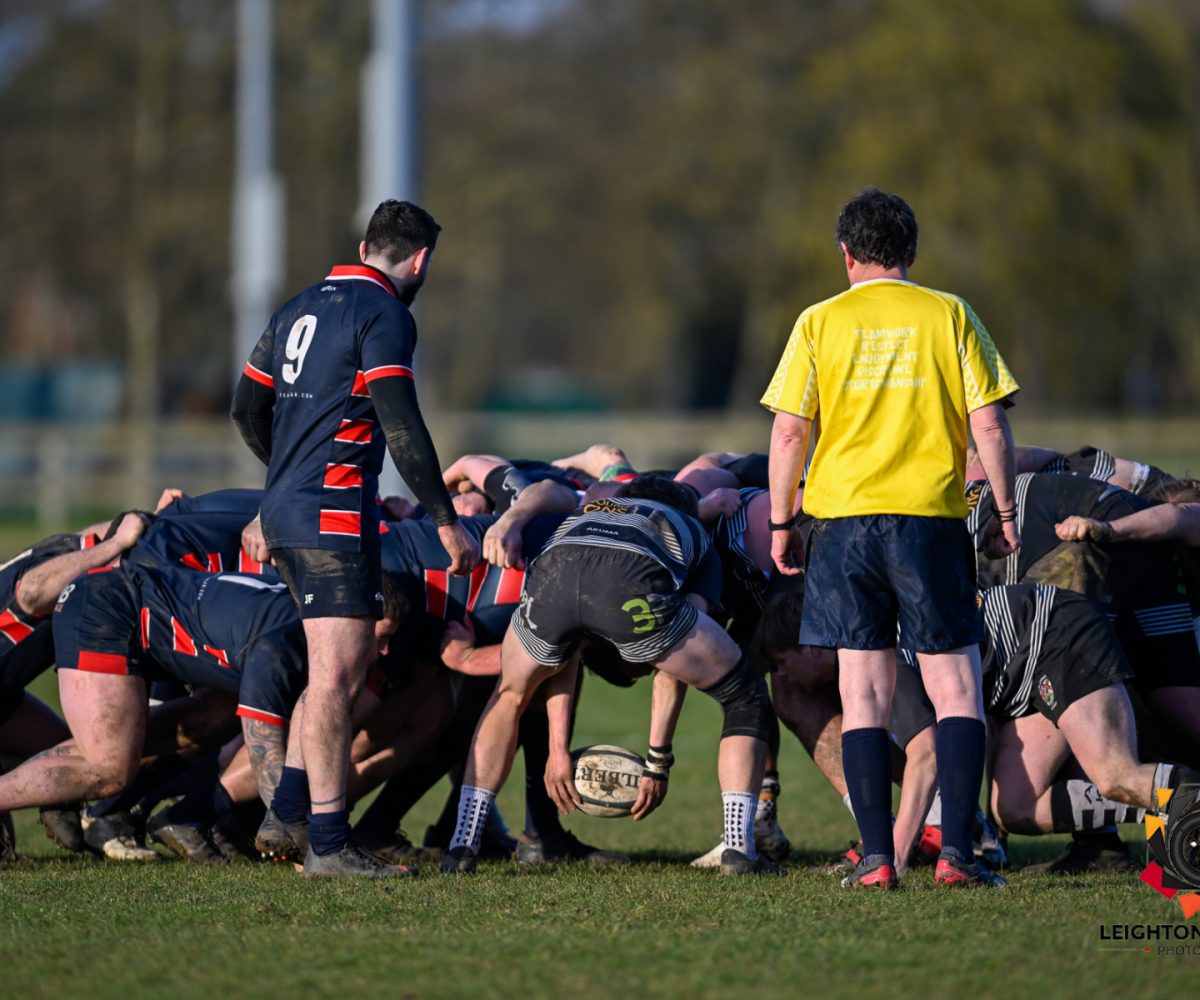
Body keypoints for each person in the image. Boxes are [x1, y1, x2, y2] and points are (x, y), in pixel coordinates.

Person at [762, 187, 1020, 889]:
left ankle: (877, 860)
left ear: (846, 255)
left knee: (864, 692)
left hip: (843, 525)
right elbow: (990, 425)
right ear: (910, 254)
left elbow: (789, 430)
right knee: (956, 689)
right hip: (928, 519)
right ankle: (961, 857)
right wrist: (1003, 509)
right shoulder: (950, 313)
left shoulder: (818, 321)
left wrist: (783, 520)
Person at [230, 199, 480, 877]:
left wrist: (286, 478)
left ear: (365, 244)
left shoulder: (298, 305)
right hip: (333, 516)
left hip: (283, 511)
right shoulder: (385, 313)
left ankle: (286, 813)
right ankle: (331, 846)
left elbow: (246, 407)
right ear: (420, 260)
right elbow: (402, 422)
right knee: (341, 676)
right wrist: (445, 520)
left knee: (326, 667)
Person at [441, 476, 781, 876]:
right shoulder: (693, 531)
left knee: (511, 695)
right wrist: (657, 761)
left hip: (555, 572)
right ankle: (740, 852)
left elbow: (567, 653)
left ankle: (462, 844)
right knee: (745, 696)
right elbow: (676, 664)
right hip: (629, 581)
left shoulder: (586, 513)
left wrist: (557, 752)